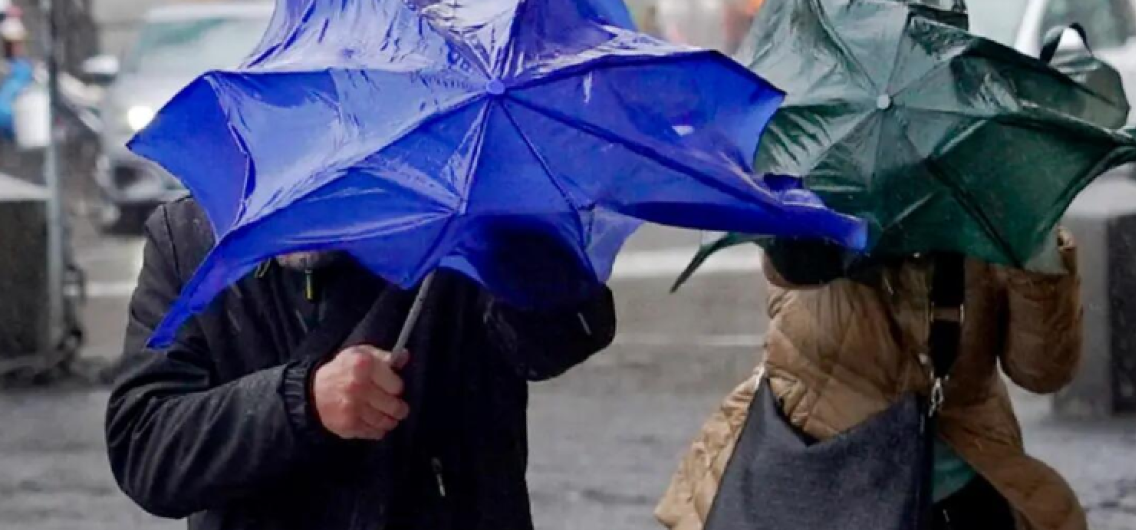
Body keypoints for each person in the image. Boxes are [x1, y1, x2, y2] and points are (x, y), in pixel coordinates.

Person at [106, 197, 617, 529]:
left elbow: (563, 334)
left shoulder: (452, 220)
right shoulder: (190, 240)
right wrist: (301, 402)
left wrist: (523, 248)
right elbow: (146, 447)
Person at [656, 232, 1086, 530]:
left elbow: (1043, 371)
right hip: (816, 482)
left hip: (957, 488)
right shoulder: (824, 192)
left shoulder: (991, 210)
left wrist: (1038, 259)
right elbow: (789, 277)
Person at [0, 16, 34, 140]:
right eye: (10, 44)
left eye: (17, 43)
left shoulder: (26, 68)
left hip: (19, 122)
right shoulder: (5, 68)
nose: (15, 47)